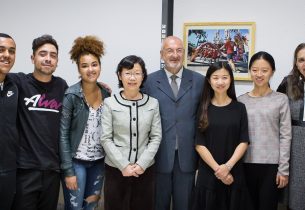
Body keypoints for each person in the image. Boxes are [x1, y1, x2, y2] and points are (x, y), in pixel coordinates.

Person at [143, 36, 204, 210]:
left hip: (188, 156)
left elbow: (204, 119)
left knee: (184, 205)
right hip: (158, 155)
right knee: (158, 205)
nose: (175, 55)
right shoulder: (148, 82)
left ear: (184, 54)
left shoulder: (199, 81)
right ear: (162, 55)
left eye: (179, 50)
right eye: (169, 50)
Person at [9, 34, 68, 210]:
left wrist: (96, 85)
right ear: (32, 57)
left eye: (53, 55)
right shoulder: (18, 82)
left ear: (57, 60)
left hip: (52, 170)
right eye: (43, 54)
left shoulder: (62, 86)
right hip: (25, 170)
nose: (48, 59)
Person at [101, 55, 162, 210]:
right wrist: (124, 166)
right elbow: (106, 138)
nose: (132, 77)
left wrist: (141, 164)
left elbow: (156, 137)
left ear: (143, 76)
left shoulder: (152, 103)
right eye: (127, 73)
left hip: (145, 171)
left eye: (137, 73)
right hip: (116, 171)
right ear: (120, 76)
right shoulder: (110, 103)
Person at [59, 36, 110, 210]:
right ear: (78, 68)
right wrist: (68, 170)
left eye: (94, 64)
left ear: (100, 66)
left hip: (98, 162)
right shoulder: (71, 95)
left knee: (91, 206)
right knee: (75, 208)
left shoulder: (107, 94)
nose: (90, 69)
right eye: (85, 65)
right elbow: (63, 135)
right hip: (76, 162)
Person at [192, 61, 249, 210]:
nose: (220, 82)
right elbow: (199, 144)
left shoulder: (240, 108)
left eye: (225, 77)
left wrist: (228, 167)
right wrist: (220, 170)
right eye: (215, 77)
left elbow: (244, 141)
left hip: (233, 172)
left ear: (231, 79)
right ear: (209, 81)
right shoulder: (203, 107)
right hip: (208, 173)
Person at [238, 51, 291, 210]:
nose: (259, 74)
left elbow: (285, 136)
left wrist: (283, 169)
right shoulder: (241, 100)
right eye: (254, 70)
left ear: (272, 72)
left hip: (271, 166)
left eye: (264, 70)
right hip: (245, 164)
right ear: (250, 71)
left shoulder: (281, 99)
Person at [277, 43, 305, 210]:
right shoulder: (287, 83)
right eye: (301, 60)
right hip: (294, 144)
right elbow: (276, 115)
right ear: (295, 62)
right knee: (296, 192)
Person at [0, 33, 18, 210]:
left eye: (11, 51)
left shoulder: (15, 84)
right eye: (1, 50)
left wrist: (93, 86)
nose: (6, 54)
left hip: (8, 171)